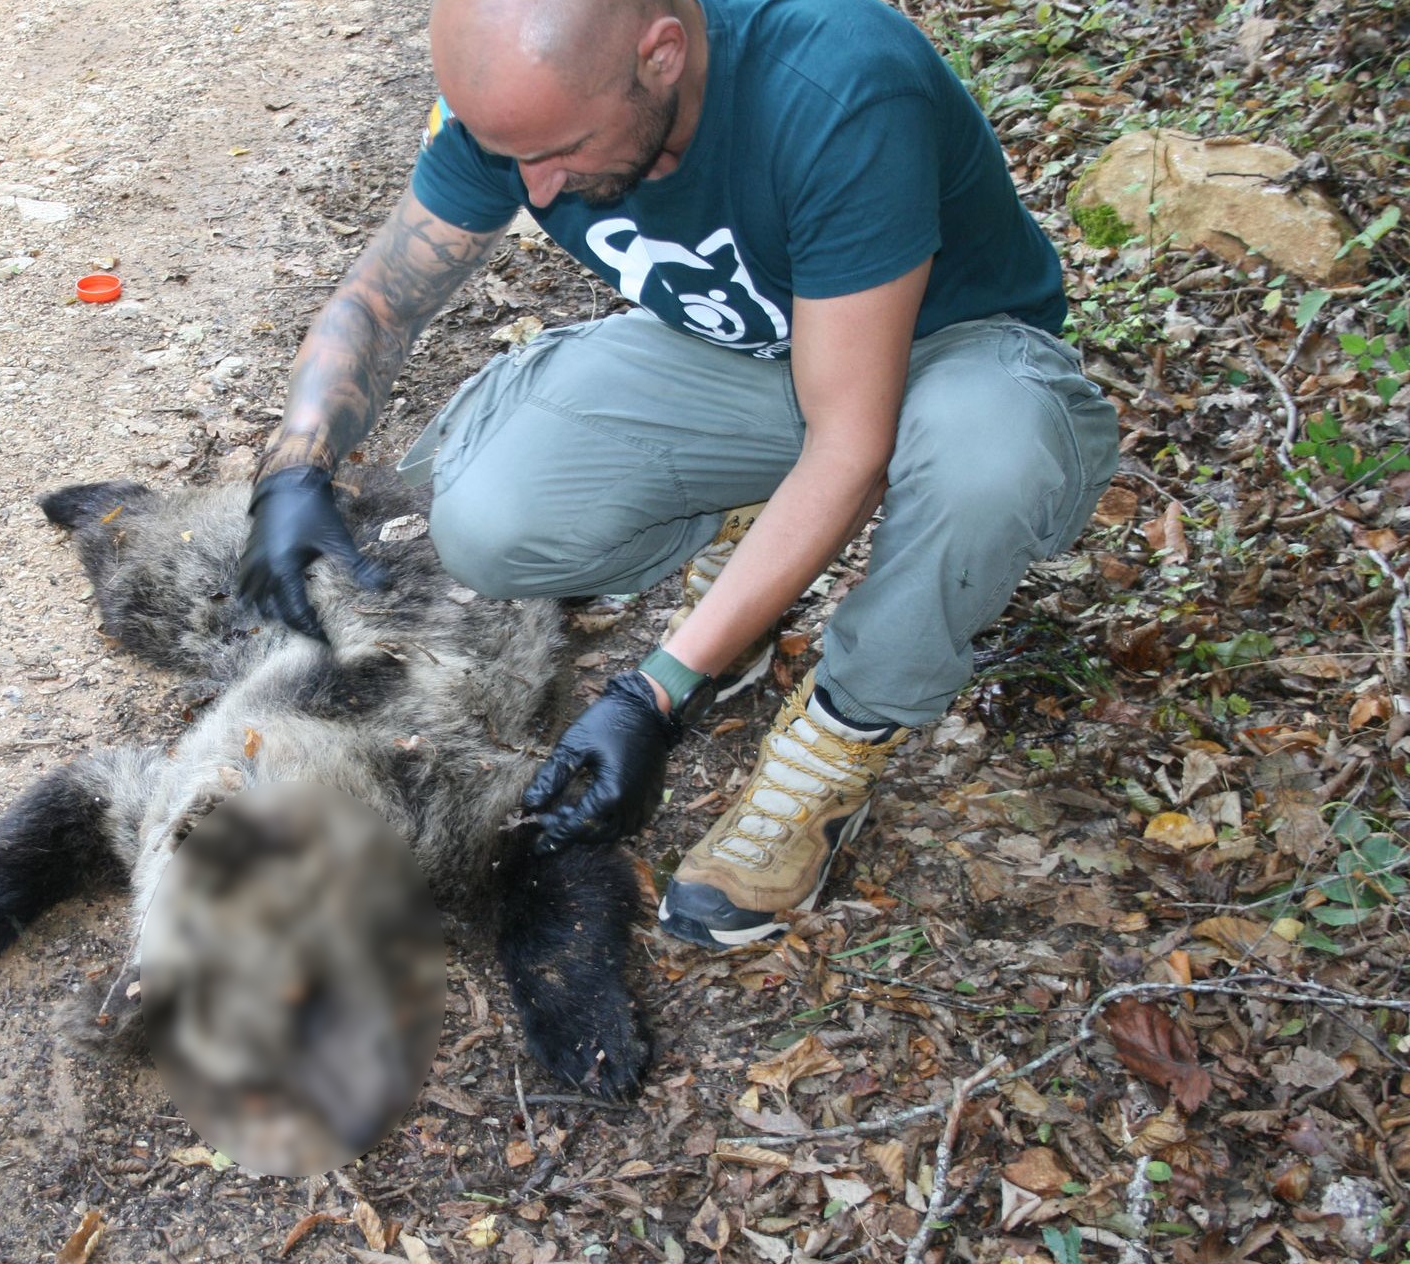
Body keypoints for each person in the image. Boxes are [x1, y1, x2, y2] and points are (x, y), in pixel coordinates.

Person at [236, 0, 1119, 949]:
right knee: (493, 518)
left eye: (562, 148)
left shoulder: (838, 87)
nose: (537, 185)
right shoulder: (525, 112)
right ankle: (757, 550)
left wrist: (654, 693)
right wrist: (294, 468)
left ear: (661, 55)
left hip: (953, 355)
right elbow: (379, 300)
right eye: (509, 156)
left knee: (986, 460)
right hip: (752, 354)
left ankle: (842, 735)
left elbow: (850, 444)